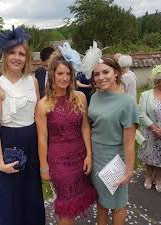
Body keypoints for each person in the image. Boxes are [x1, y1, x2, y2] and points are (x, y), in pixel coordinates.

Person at [0, 26, 45, 225]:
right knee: (11, 197)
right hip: (9, 143)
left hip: (32, 141)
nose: (17, 57)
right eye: (12, 52)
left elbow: (38, 117)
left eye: (22, 53)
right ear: (5, 55)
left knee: (32, 194)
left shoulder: (33, 81)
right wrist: (0, 162)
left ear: (27, 57)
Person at [36, 51, 97, 225]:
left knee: (76, 202)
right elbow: (42, 138)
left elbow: (85, 127)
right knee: (66, 206)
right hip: (59, 161)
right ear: (52, 75)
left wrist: (89, 155)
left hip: (80, 155)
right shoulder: (43, 104)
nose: (64, 78)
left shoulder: (81, 97)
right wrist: (44, 167)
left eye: (68, 74)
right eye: (60, 73)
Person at [86, 52, 138, 224]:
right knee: (100, 201)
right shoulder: (94, 97)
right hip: (96, 157)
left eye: (105, 72)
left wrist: (129, 171)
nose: (100, 77)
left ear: (116, 72)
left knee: (117, 204)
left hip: (114, 160)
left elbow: (129, 143)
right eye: (96, 74)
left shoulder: (127, 103)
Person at [138, 65, 161, 192]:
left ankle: (158, 178)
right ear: (158, 81)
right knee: (149, 156)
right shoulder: (145, 95)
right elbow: (141, 114)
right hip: (150, 132)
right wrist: (155, 129)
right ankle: (148, 177)